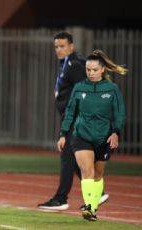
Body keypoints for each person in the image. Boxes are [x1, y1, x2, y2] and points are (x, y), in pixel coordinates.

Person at [38, 32, 109, 210]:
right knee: (74, 158)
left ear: (71, 46)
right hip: (70, 117)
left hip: (76, 119)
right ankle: (96, 193)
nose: (59, 50)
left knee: (66, 157)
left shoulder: (74, 64)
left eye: (62, 46)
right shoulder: (66, 64)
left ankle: (61, 198)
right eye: (56, 46)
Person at [57, 49, 126, 221]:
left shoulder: (112, 89)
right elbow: (70, 111)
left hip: (104, 137)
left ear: (102, 69)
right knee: (87, 170)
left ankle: (93, 207)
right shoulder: (80, 88)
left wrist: (116, 132)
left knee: (98, 174)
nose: (91, 73)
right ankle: (89, 207)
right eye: (88, 70)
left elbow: (120, 113)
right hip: (82, 136)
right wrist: (64, 134)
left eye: (94, 70)